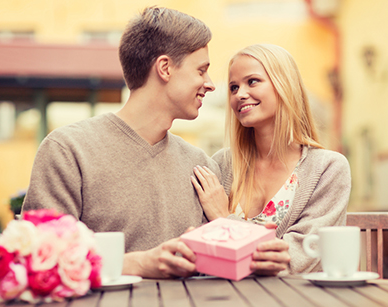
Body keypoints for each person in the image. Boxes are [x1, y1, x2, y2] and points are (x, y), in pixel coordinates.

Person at [22, 8, 289, 279]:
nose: (210, 85)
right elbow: (37, 259)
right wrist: (137, 264)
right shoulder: (68, 150)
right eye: (201, 71)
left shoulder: (201, 166)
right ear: (165, 68)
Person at [191, 44, 351, 274]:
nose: (240, 94)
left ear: (283, 84)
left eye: (252, 81)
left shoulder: (328, 168)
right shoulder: (223, 164)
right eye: (233, 87)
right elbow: (205, 246)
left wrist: (224, 219)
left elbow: (305, 254)